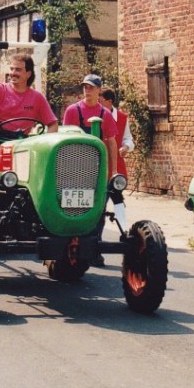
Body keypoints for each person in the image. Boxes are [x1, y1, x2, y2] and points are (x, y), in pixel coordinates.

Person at [63, 74, 119, 266]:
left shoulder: (106, 115)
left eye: (91, 87)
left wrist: (113, 172)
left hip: (96, 169)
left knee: (98, 209)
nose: (87, 90)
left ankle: (94, 248)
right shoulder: (72, 111)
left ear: (99, 90)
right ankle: (70, 243)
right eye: (85, 87)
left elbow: (111, 143)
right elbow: (65, 139)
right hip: (73, 167)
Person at [0, 53, 58, 149]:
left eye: (18, 70)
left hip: (23, 144)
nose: (13, 73)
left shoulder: (37, 98)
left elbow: (53, 123)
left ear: (28, 74)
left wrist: (47, 144)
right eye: (11, 69)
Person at [99, 87, 134, 227]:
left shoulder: (122, 118)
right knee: (101, 201)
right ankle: (97, 231)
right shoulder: (96, 116)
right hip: (99, 164)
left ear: (110, 101)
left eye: (101, 101)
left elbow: (128, 139)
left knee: (117, 197)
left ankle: (123, 228)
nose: (98, 104)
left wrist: (126, 147)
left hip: (116, 165)